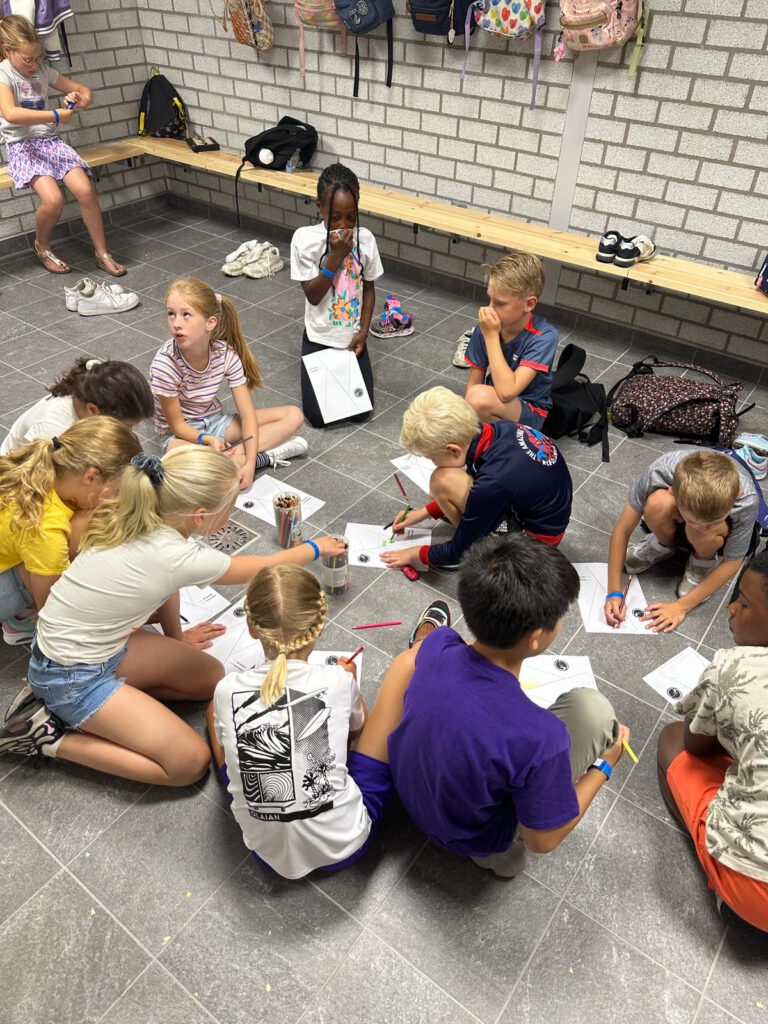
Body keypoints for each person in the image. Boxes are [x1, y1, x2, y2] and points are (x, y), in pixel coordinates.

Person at [0, 446, 346, 787]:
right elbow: (260, 567)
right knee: (189, 764)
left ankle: (107, 708)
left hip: (91, 646)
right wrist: (317, 548)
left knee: (210, 677)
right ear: (200, 515)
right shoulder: (176, 556)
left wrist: (176, 638)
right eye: (229, 508)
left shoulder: (140, 514)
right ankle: (48, 736)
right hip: (69, 676)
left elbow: (168, 582)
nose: (231, 516)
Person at [354, 534, 630, 878]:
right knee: (594, 711)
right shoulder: (543, 737)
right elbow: (542, 841)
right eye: (560, 616)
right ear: (535, 637)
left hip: (411, 799)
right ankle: (498, 858)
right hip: (475, 840)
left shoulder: (438, 643)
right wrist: (605, 765)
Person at [208, 564, 391, 878]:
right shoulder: (337, 679)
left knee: (214, 713)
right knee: (380, 724)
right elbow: (359, 730)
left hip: (267, 854)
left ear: (251, 626)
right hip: (347, 845)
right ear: (319, 626)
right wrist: (351, 683)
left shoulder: (226, 690)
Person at [657, 550, 768, 933]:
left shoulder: (732, 668)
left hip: (758, 893)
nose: (731, 609)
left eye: (745, 604)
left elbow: (694, 744)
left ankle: (721, 875)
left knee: (671, 740)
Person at [380, 387, 572, 572]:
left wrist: (415, 553)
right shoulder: (499, 428)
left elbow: (458, 551)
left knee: (441, 481)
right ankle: (480, 530)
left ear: (454, 450)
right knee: (445, 486)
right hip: (544, 519)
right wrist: (424, 513)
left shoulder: (494, 480)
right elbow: (485, 485)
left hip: (533, 547)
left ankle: (486, 548)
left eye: (433, 458)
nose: (434, 463)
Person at [150, 278, 307, 490]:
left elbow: (248, 415)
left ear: (210, 323)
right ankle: (263, 457)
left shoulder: (225, 354)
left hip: (216, 422)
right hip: (180, 435)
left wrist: (249, 464)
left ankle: (235, 460)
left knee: (293, 415)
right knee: (189, 467)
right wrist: (208, 440)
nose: (176, 323)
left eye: (186, 314)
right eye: (171, 314)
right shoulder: (164, 364)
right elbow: (177, 426)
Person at [0, 15, 126, 276]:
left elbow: (81, 89)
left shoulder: (42, 70)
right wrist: (55, 115)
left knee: (85, 191)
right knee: (54, 200)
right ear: (7, 51)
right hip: (22, 146)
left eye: (38, 58)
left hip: (50, 142)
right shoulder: (3, 75)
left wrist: (82, 98)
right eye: (27, 59)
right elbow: (11, 114)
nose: (34, 65)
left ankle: (102, 254)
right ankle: (42, 246)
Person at [0, 417, 140, 645]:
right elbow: (51, 608)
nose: (115, 499)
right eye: (116, 490)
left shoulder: (30, 464)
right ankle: (22, 620)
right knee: (79, 529)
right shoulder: (47, 529)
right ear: (91, 477)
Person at [604, 448, 759, 634]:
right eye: (694, 522)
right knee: (656, 503)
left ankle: (702, 561)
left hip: (717, 539)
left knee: (706, 531)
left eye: (711, 522)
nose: (702, 528)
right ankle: (663, 543)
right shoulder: (659, 472)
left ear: (737, 495)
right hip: (677, 517)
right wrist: (613, 591)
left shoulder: (747, 500)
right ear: (673, 491)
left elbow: (733, 561)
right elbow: (622, 530)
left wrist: (682, 606)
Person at [290, 162, 384, 429]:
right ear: (320, 207)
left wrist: (363, 332)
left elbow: (369, 288)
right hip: (319, 337)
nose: (344, 225)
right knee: (317, 418)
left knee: (360, 413)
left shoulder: (366, 239)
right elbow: (313, 295)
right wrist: (336, 256)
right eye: (336, 217)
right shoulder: (304, 239)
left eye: (351, 217)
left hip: (351, 338)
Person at [462, 252, 558, 430]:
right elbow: (473, 385)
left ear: (529, 304)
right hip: (494, 399)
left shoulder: (544, 336)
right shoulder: (485, 329)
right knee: (462, 402)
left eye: (499, 303)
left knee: (479, 399)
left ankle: (501, 438)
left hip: (529, 411)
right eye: (490, 299)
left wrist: (491, 336)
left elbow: (507, 392)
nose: (489, 309)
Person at [0, 357, 153, 454]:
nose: (130, 432)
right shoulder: (53, 431)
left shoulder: (86, 395)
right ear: (93, 410)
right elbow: (36, 481)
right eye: (127, 425)